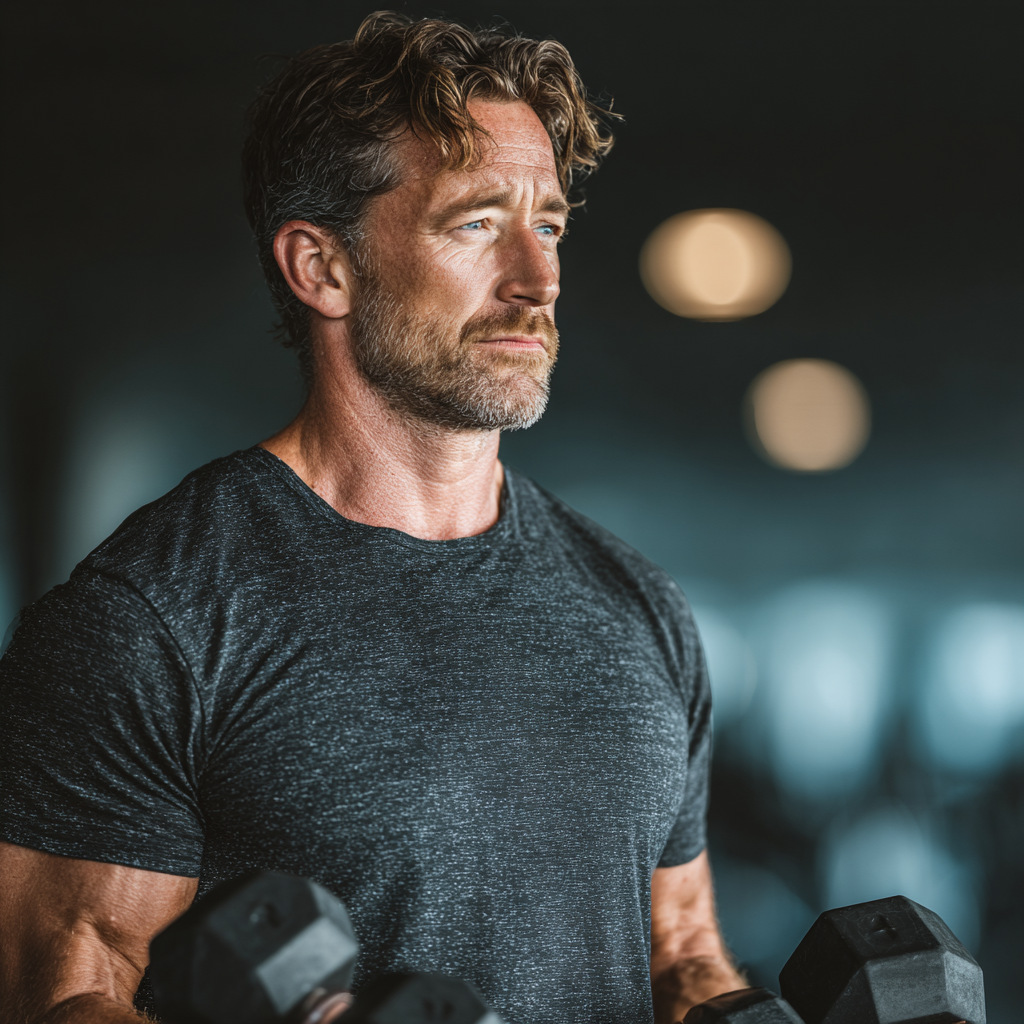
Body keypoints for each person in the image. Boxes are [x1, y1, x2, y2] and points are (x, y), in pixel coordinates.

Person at [0, 13, 746, 1024]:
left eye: (550, 224)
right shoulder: (151, 622)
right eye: (478, 222)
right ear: (322, 268)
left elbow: (684, 954)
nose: (537, 279)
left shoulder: (638, 610)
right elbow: (66, 994)